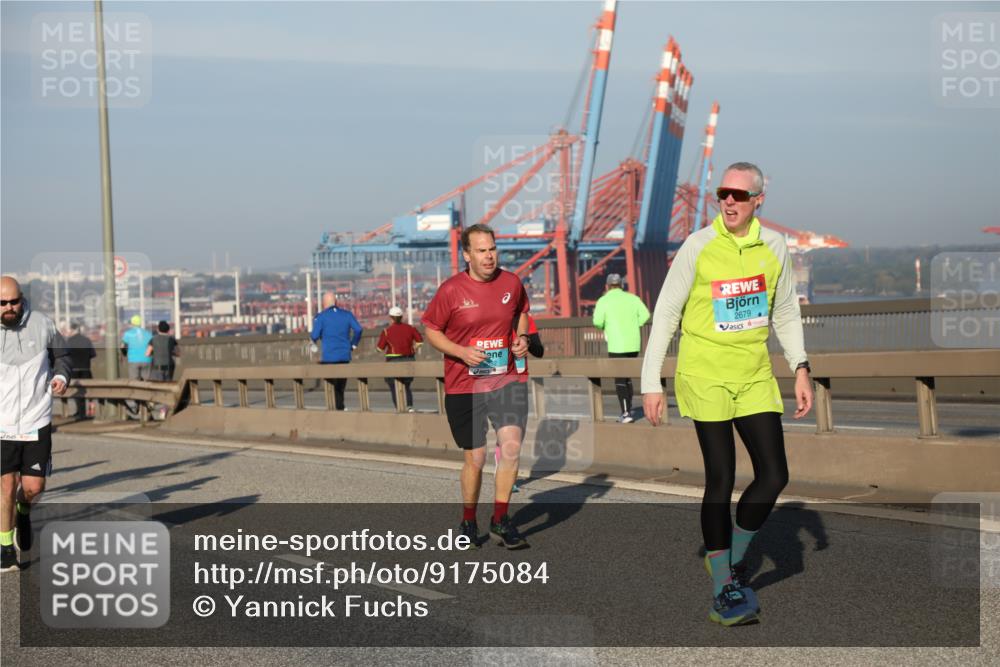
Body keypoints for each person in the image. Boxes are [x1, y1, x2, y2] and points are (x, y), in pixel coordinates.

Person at [640, 162, 814, 627]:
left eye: (740, 195)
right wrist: (650, 381)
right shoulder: (698, 246)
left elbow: (785, 314)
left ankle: (731, 556)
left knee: (774, 475)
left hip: (754, 372)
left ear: (759, 200)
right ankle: (724, 588)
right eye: (723, 194)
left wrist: (800, 366)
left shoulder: (774, 246)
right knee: (722, 478)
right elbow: (666, 314)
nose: (730, 201)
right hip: (704, 373)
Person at [422, 223, 531, 550]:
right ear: (467, 254)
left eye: (492, 249)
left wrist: (522, 338)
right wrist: (462, 352)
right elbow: (431, 329)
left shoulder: (511, 282)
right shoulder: (451, 290)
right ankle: (469, 519)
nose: (489, 256)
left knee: (511, 446)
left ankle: (500, 519)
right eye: (481, 251)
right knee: (477, 457)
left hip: (507, 378)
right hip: (464, 385)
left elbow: (521, 313)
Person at [1, 276, 71, 572]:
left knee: (33, 487)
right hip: (2, 423)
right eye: (3, 303)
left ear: (22, 299)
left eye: (14, 302)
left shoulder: (43, 324)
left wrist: (61, 377)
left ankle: (24, 510)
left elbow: (63, 357)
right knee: (5, 485)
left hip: (36, 419)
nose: (9, 308)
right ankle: (5, 548)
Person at [592, 273, 651, 423]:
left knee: (620, 379)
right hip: (633, 344)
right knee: (627, 377)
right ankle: (629, 408)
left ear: (607, 286)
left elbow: (597, 321)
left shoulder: (603, 300)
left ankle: (626, 413)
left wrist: (606, 325)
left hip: (616, 344)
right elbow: (646, 315)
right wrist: (634, 324)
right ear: (621, 285)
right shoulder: (633, 298)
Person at [311, 292, 363, 411]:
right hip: (345, 355)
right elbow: (358, 329)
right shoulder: (347, 315)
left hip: (329, 357)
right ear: (336, 302)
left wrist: (314, 341)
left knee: (331, 385)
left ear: (324, 304)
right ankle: (340, 406)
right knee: (341, 385)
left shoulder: (321, 317)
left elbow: (314, 336)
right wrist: (353, 344)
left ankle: (335, 409)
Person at [376, 306, 423, 412]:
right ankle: (409, 406)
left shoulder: (387, 331)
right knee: (406, 385)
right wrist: (414, 347)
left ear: (391, 318)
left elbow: (379, 348)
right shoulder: (410, 328)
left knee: (393, 385)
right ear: (401, 317)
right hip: (409, 359)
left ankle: (399, 407)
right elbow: (420, 341)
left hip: (393, 360)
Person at [65, 321, 96, 418]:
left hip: (74, 370)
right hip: (86, 369)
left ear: (72, 330)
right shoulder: (87, 340)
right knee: (87, 391)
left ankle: (80, 412)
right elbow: (93, 354)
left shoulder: (69, 341)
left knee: (77, 391)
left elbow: (65, 355)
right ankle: (84, 412)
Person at [121, 314, 153, 380]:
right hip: (147, 360)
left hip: (133, 359)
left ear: (132, 323)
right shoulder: (148, 333)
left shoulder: (128, 333)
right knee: (147, 382)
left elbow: (122, 346)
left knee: (134, 382)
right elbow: (152, 346)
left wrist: (124, 354)